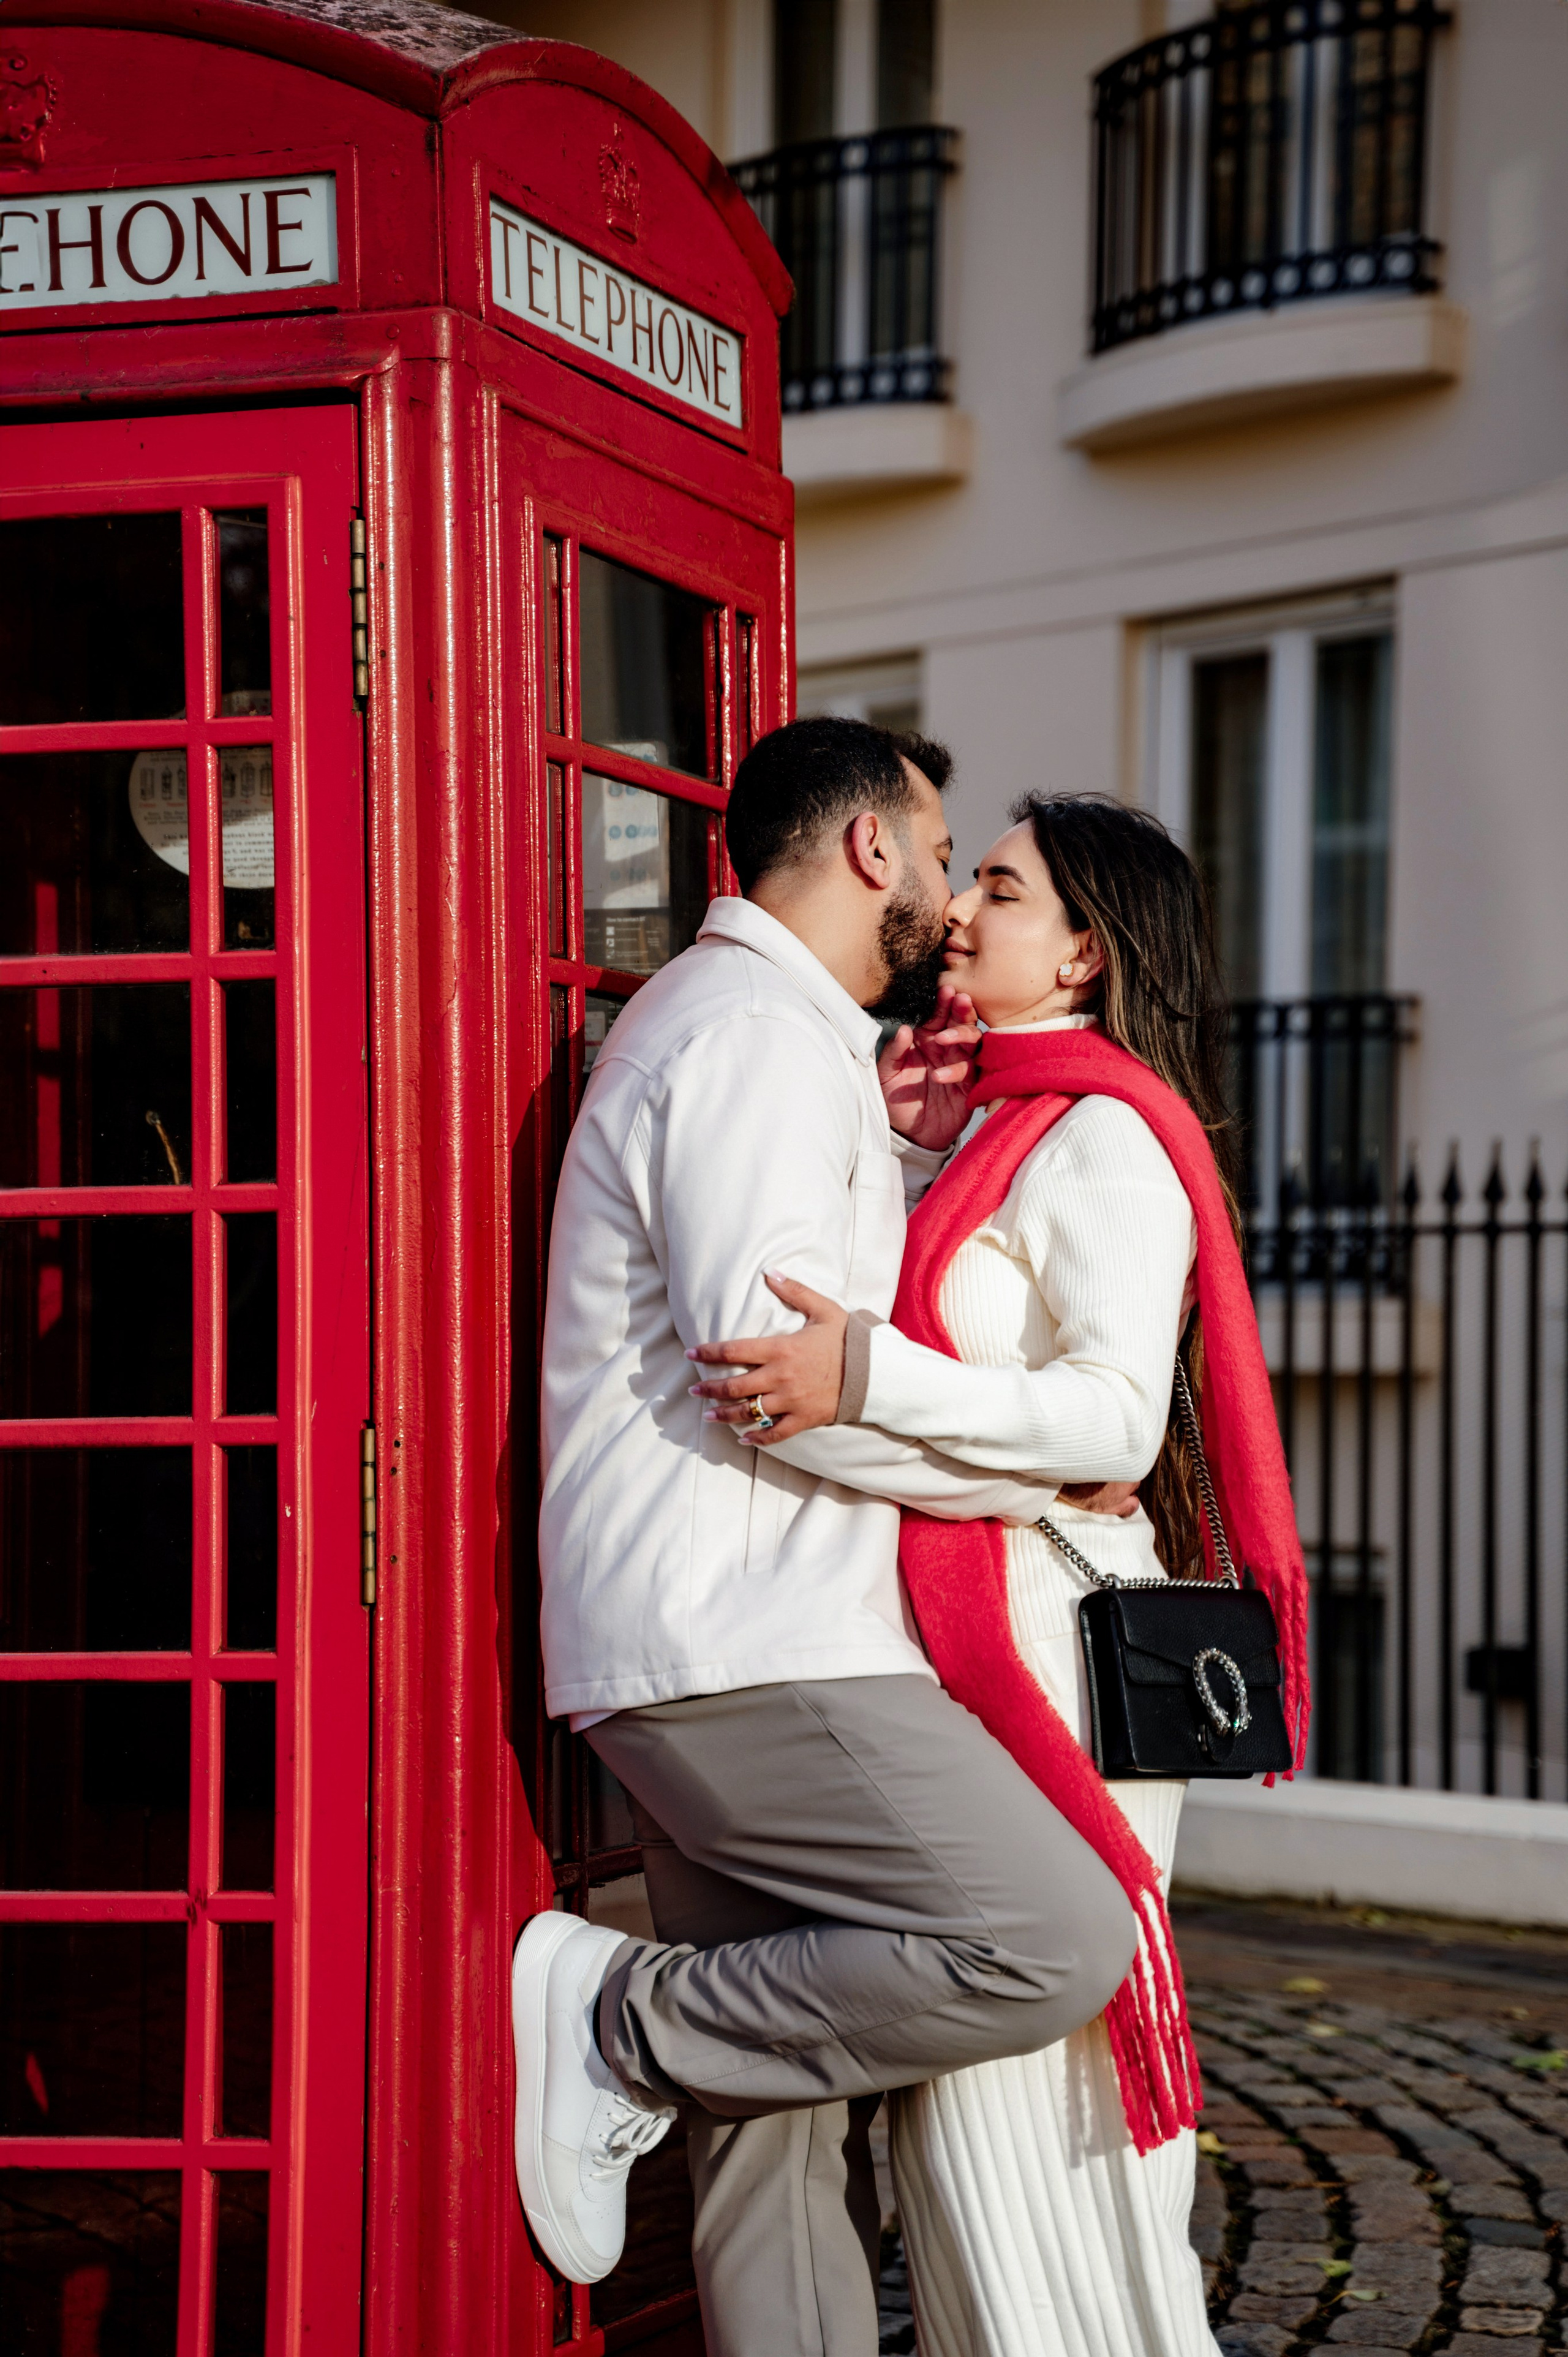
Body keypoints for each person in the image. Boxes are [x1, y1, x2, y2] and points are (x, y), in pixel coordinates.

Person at [517, 720, 1146, 2357]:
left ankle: (652, 2043)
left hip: (743, 1619)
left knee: (779, 2136)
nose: (946, 898)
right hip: (741, 1637)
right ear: (872, 846)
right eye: (941, 856)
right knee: (1050, 1935)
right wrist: (1027, 1486)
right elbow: (767, 1377)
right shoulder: (748, 1037)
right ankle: (616, 2013)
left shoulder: (796, 1043)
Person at [690, 793, 1310, 2357]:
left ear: (1087, 951)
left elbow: (1107, 1408)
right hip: (972, 1636)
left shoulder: (1106, 1136)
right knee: (966, 2138)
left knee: (1050, 2131)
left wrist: (864, 1382)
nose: (960, 908)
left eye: (1004, 888)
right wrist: (900, 1163)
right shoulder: (991, 1125)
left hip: (1049, 1652)